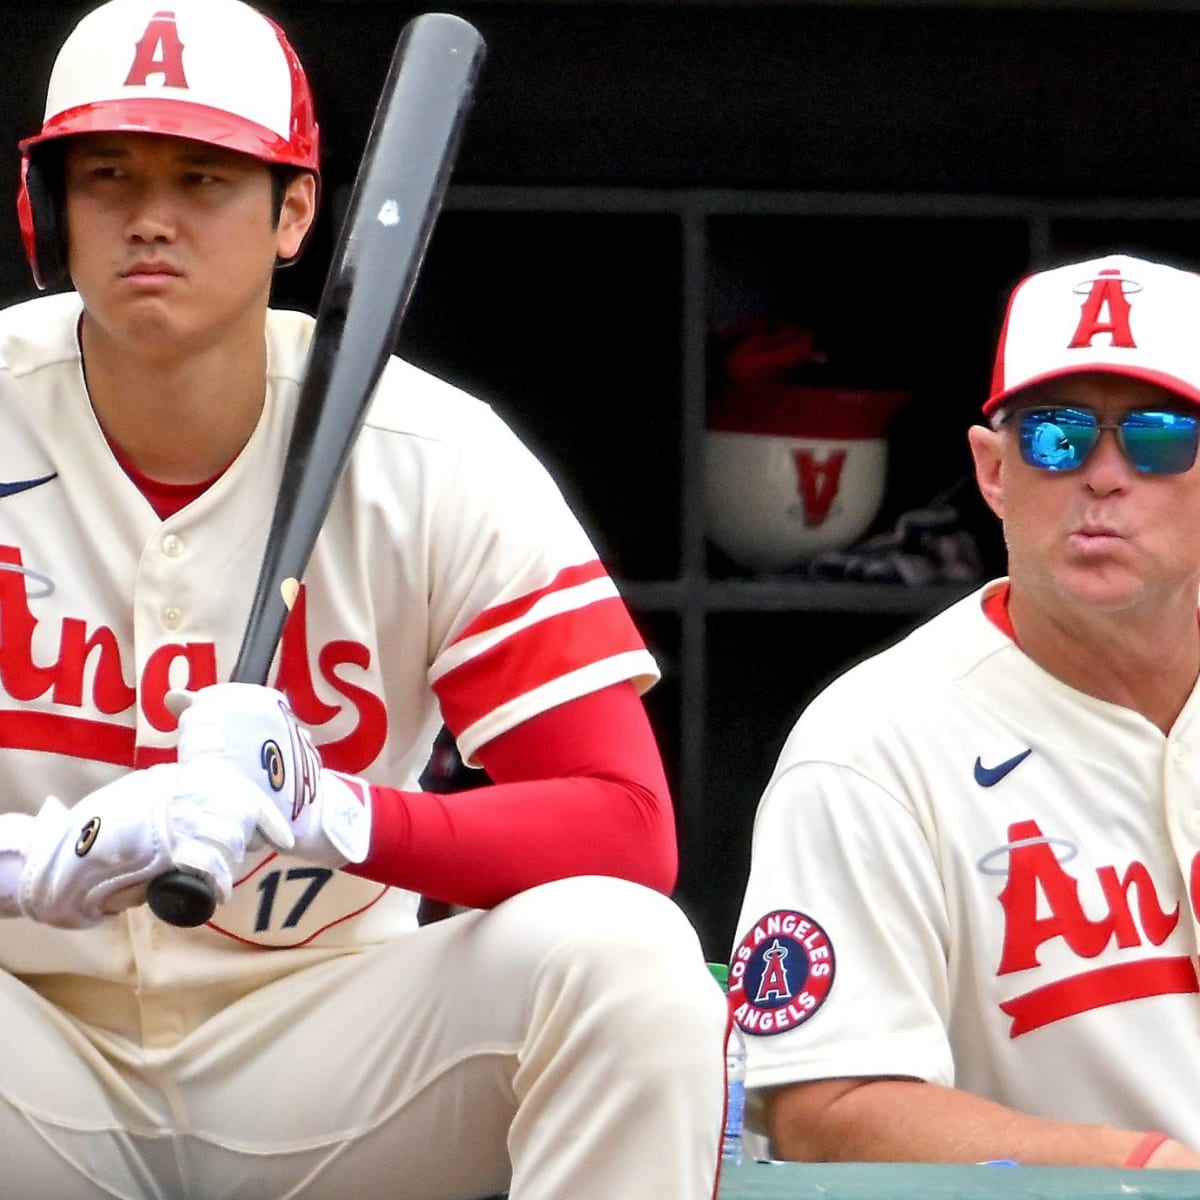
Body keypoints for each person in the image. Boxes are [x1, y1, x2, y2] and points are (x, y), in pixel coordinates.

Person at [0, 1, 726, 1197]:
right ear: (46, 206)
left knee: (628, 958)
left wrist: (339, 815)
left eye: (205, 176)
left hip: (324, 1050)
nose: (150, 217)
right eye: (107, 173)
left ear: (295, 213)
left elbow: (625, 824)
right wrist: (38, 861)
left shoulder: (428, 452)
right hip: (32, 1049)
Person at [730, 250, 1200, 1171]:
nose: (1103, 476)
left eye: (1156, 438)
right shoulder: (871, 744)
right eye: (1056, 437)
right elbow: (826, 1109)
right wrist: (1145, 1173)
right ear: (992, 471)